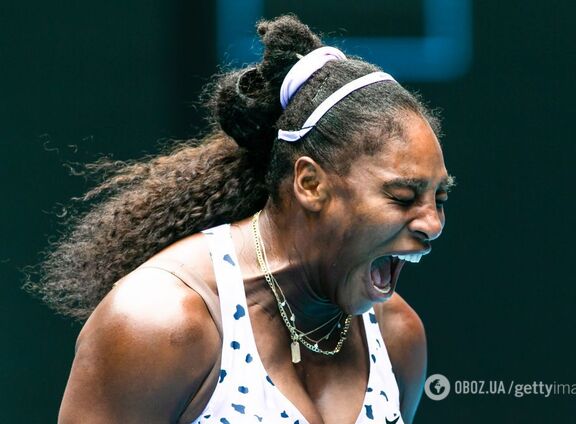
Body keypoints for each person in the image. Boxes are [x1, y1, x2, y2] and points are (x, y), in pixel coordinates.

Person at [30, 14, 454, 424]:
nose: (432, 224)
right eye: (402, 196)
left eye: (439, 198)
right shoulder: (160, 323)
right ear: (310, 183)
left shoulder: (397, 335)